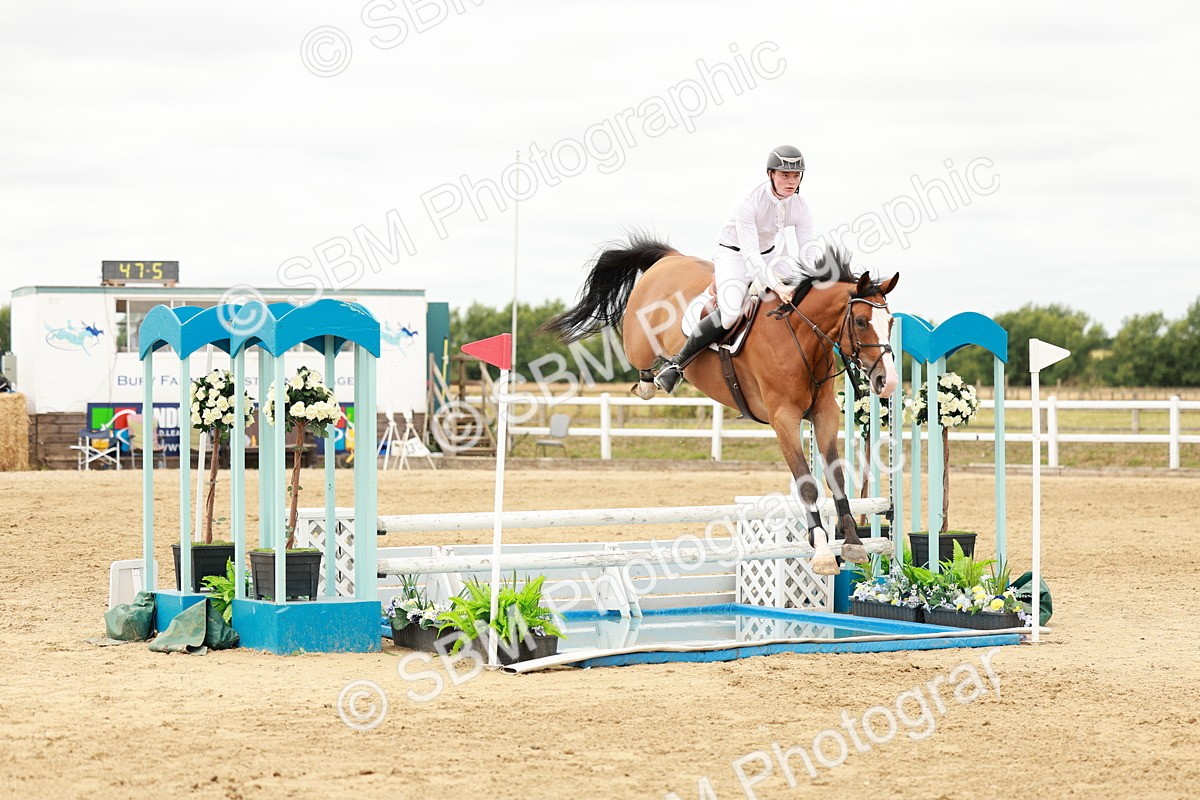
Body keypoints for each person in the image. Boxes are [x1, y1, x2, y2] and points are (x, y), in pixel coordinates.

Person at [654, 145, 815, 393]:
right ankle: (676, 365)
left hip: (772, 255)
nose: (791, 181)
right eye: (785, 175)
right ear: (770, 174)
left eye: (796, 176)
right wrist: (777, 286)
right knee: (730, 313)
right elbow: (750, 255)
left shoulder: (800, 205)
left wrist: (814, 281)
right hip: (734, 255)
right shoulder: (749, 200)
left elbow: (807, 251)